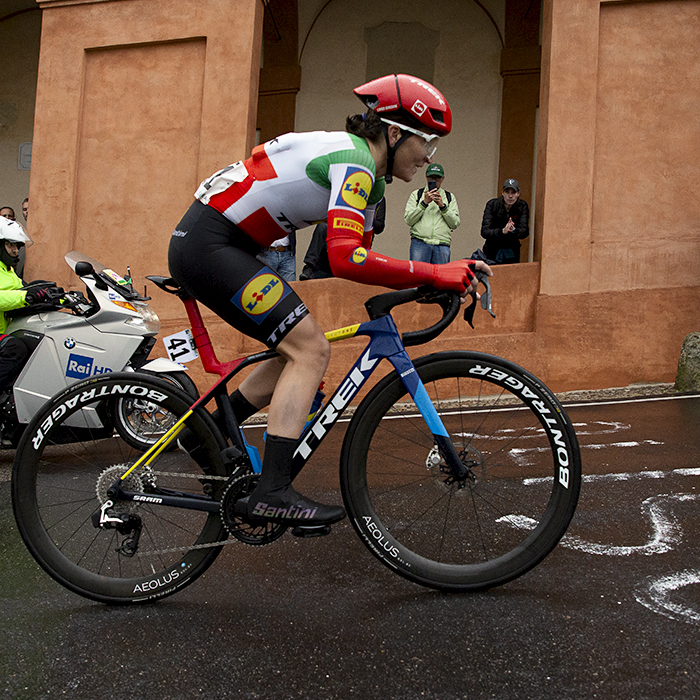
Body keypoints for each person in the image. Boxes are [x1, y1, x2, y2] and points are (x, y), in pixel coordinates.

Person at [168, 73, 491, 528]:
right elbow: (345, 258)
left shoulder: (371, 183)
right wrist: (437, 270)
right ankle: (273, 491)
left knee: (293, 348)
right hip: (211, 245)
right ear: (395, 133)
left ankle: (209, 433)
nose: (428, 157)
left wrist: (433, 282)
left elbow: (365, 256)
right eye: (427, 142)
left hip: (227, 245)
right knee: (311, 349)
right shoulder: (355, 162)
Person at [300, 198, 385, 280]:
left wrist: (363, 215)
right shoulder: (350, 193)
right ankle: (309, 267)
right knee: (322, 227)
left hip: (358, 240)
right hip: (341, 231)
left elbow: (379, 227)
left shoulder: (379, 200)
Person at [404, 164, 460, 264]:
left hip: (442, 244)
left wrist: (442, 206)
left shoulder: (449, 197)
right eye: (431, 177)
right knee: (417, 277)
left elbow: (455, 223)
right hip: (420, 242)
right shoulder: (417, 194)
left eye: (437, 178)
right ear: (426, 177)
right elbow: (409, 220)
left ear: (443, 178)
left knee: (441, 278)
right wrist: (424, 203)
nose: (434, 181)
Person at [479, 178, 530, 264]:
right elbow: (485, 232)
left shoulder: (522, 206)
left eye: (513, 193)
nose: (510, 196)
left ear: (518, 194)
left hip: (512, 251)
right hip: (492, 250)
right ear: (502, 193)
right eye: (507, 192)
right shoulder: (492, 205)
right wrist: (502, 231)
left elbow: (524, 232)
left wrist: (513, 230)